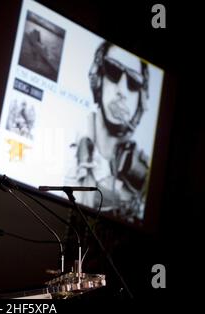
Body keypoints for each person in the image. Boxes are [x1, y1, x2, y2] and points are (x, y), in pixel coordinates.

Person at [65, 41, 150, 223]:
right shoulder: (67, 146)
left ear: (140, 99)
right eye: (113, 71)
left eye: (134, 83)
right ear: (99, 78)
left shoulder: (143, 172)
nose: (122, 91)